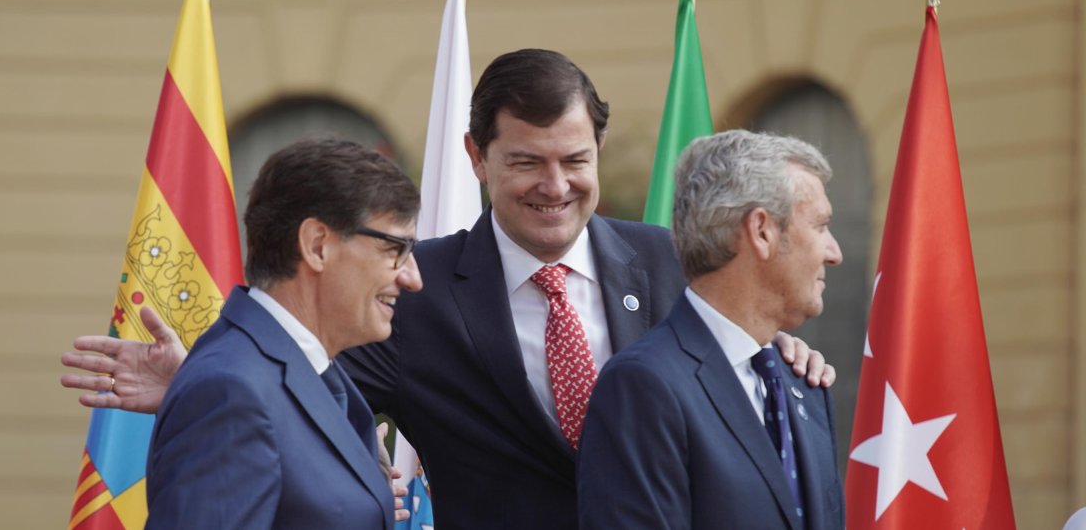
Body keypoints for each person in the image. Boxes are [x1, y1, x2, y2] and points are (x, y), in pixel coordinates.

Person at [63, 50, 834, 529]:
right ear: (477, 156)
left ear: (598, 147)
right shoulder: (416, 291)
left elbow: (723, 354)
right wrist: (193, 376)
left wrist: (777, 350)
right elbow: (292, 368)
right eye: (527, 162)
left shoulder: (669, 261)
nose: (555, 186)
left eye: (574, 158)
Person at [144, 138, 421, 529]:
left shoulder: (313, 374)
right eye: (395, 249)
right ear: (317, 245)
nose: (412, 278)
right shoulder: (230, 391)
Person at [577, 130, 845, 529]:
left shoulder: (804, 382)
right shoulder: (643, 386)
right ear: (762, 231)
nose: (834, 252)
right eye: (821, 226)